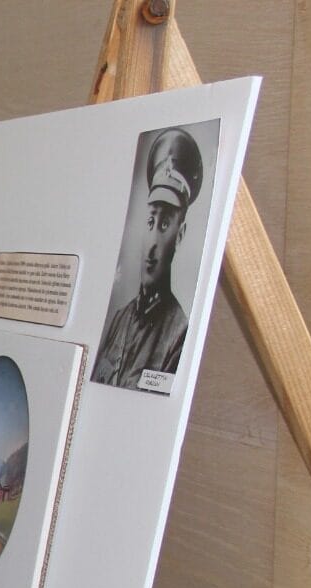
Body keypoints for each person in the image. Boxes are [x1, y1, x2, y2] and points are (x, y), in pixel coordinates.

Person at [92, 126, 204, 390]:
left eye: (165, 225)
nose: (152, 243)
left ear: (180, 235)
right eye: (151, 221)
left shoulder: (178, 333)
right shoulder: (120, 319)